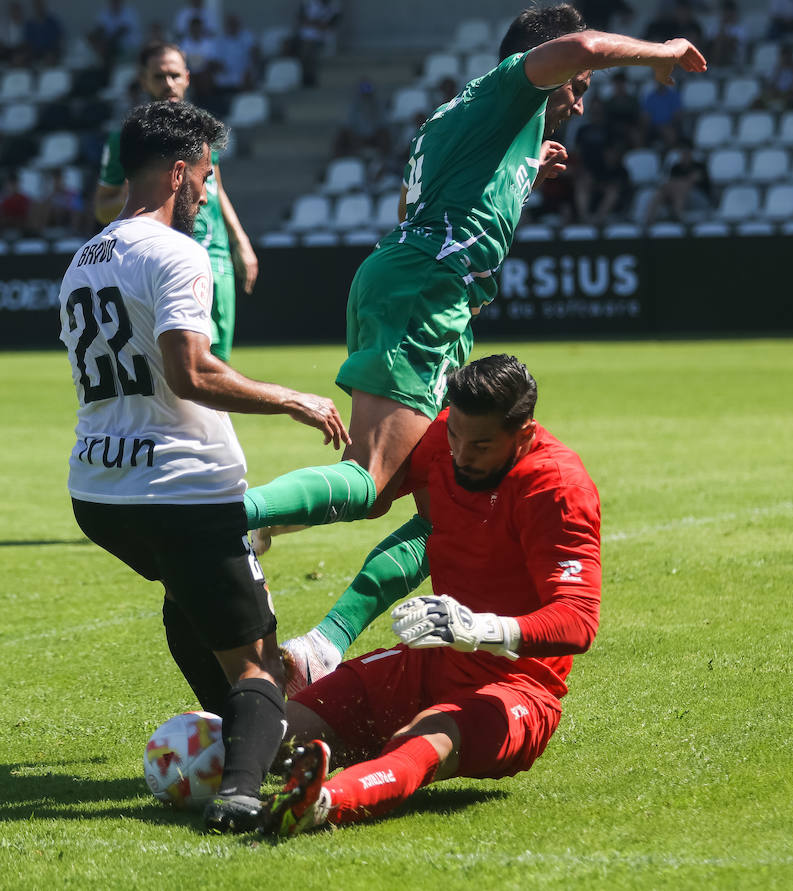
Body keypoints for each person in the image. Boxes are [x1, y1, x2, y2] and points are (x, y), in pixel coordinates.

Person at [241, 5, 702, 693]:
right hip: (425, 290)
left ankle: (320, 646)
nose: (577, 101)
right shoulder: (508, 87)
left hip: (425, 291)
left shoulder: (478, 125)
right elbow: (579, 46)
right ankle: (226, 515)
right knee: (369, 481)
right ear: (538, 66)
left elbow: (426, 207)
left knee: (444, 506)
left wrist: (523, 171)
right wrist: (661, 51)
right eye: (575, 86)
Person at [58, 100, 349, 833]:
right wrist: (292, 397)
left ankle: (249, 740)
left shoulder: (83, 258)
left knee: (189, 598)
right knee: (256, 659)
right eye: (207, 179)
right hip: (177, 485)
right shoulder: (178, 253)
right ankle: (244, 791)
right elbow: (188, 373)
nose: (208, 195)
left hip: (98, 488)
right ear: (179, 171)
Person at [260, 355, 602, 836]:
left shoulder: (556, 488)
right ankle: (200, 755)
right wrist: (273, 520)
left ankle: (321, 802)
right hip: (428, 661)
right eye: (455, 436)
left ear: (523, 435)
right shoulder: (446, 439)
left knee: (421, 740)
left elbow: (578, 620)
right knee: (276, 732)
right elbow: (371, 489)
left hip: (516, 689)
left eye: (481, 445)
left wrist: (480, 629)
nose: (461, 454)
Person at [96, 43, 258, 363]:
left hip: (214, 256)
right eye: (159, 76)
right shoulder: (125, 141)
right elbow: (101, 209)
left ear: (187, 77)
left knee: (218, 364)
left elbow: (217, 188)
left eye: (174, 75)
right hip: (161, 259)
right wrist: (138, 184)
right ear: (143, 81)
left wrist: (241, 241)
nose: (168, 83)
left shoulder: (203, 132)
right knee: (178, 365)